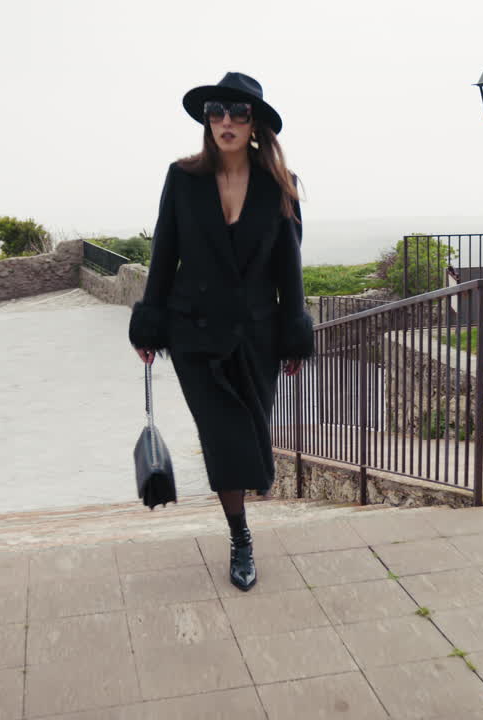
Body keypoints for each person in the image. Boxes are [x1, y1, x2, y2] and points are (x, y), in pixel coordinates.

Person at [128, 72, 314, 591]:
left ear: (255, 124)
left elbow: (289, 268)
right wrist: (150, 321)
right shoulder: (182, 178)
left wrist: (294, 330)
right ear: (206, 120)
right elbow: (165, 253)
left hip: (256, 336)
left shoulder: (282, 185)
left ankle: (240, 521)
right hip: (194, 335)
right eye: (216, 112)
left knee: (252, 437)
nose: (225, 122)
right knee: (223, 440)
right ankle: (240, 537)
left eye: (237, 113)